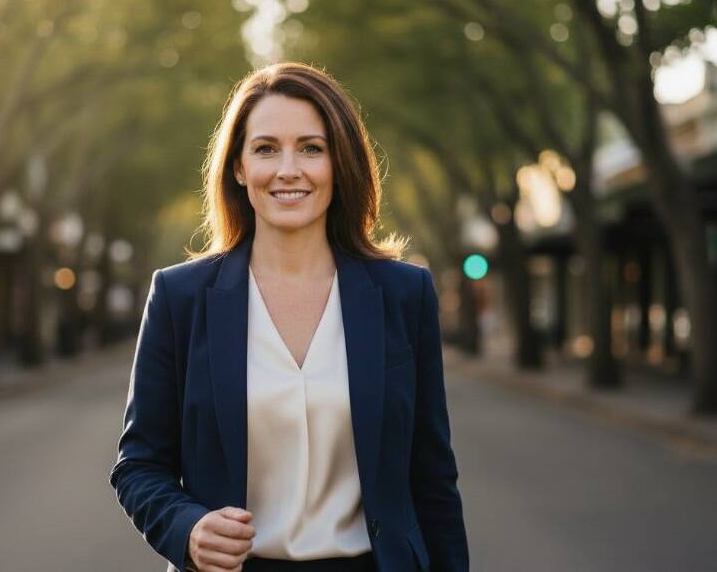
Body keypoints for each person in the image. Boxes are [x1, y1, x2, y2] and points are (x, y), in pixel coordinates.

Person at [109, 62, 469, 572]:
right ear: (238, 167)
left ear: (339, 162)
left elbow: (432, 478)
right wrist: (187, 528)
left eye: (311, 148)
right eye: (265, 148)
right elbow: (139, 465)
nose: (288, 169)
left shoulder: (404, 293)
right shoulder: (179, 296)